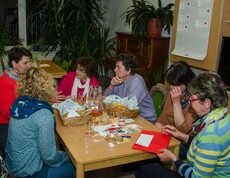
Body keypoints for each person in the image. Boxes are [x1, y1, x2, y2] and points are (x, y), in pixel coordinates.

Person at [135, 71, 230, 178]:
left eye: (193, 99)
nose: (190, 102)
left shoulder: (211, 135)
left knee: (145, 168)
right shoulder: (223, 117)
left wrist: (173, 159)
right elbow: (201, 144)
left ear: (207, 103)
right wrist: (180, 135)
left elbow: (196, 177)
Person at [5, 67, 76, 178]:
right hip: (30, 172)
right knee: (75, 166)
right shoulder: (43, 114)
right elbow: (49, 157)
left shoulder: (20, 104)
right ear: (46, 87)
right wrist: (67, 156)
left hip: (12, 166)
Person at [155, 61, 197, 158]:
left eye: (176, 84)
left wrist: (176, 103)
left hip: (185, 143)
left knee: (157, 153)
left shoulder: (195, 99)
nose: (173, 88)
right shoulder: (173, 92)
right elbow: (163, 118)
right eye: (171, 85)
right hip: (170, 135)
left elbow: (183, 129)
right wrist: (156, 133)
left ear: (186, 83)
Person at [104, 53, 156, 123]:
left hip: (144, 119)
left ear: (128, 71)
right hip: (127, 116)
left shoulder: (137, 81)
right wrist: (111, 85)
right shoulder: (119, 79)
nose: (114, 69)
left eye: (118, 67)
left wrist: (112, 102)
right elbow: (106, 97)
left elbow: (130, 105)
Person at [0, 46, 32, 159]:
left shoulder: (20, 77)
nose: (29, 65)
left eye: (29, 62)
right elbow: (7, 112)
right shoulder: (5, 82)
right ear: (14, 64)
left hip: (18, 121)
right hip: (6, 125)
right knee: (12, 158)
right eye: (25, 63)